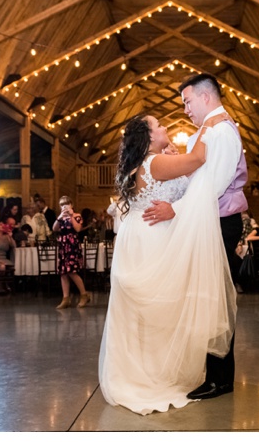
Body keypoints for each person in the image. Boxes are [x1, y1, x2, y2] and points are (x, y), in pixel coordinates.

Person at [99, 108, 235, 414]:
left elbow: (183, 185)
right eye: (159, 125)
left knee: (152, 313)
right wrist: (211, 125)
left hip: (140, 236)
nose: (165, 128)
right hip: (153, 238)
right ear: (148, 136)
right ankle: (157, 374)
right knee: (164, 308)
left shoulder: (145, 163)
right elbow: (199, 159)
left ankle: (148, 370)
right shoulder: (155, 163)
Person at [139, 72, 245, 402]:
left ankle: (221, 378)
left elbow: (212, 187)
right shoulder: (207, 131)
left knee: (215, 300)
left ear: (204, 97)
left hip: (220, 223)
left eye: (187, 101)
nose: (185, 109)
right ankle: (213, 373)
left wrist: (176, 210)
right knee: (205, 298)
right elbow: (197, 180)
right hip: (206, 221)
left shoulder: (222, 132)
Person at [51, 196, 91, 309]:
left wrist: (71, 215)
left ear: (71, 205)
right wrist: (60, 217)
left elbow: (78, 229)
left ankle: (84, 294)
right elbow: (54, 229)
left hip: (72, 245)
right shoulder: (61, 218)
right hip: (63, 245)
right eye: (62, 205)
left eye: (67, 204)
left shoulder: (77, 216)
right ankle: (65, 298)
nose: (65, 206)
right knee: (63, 272)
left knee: (72, 271)